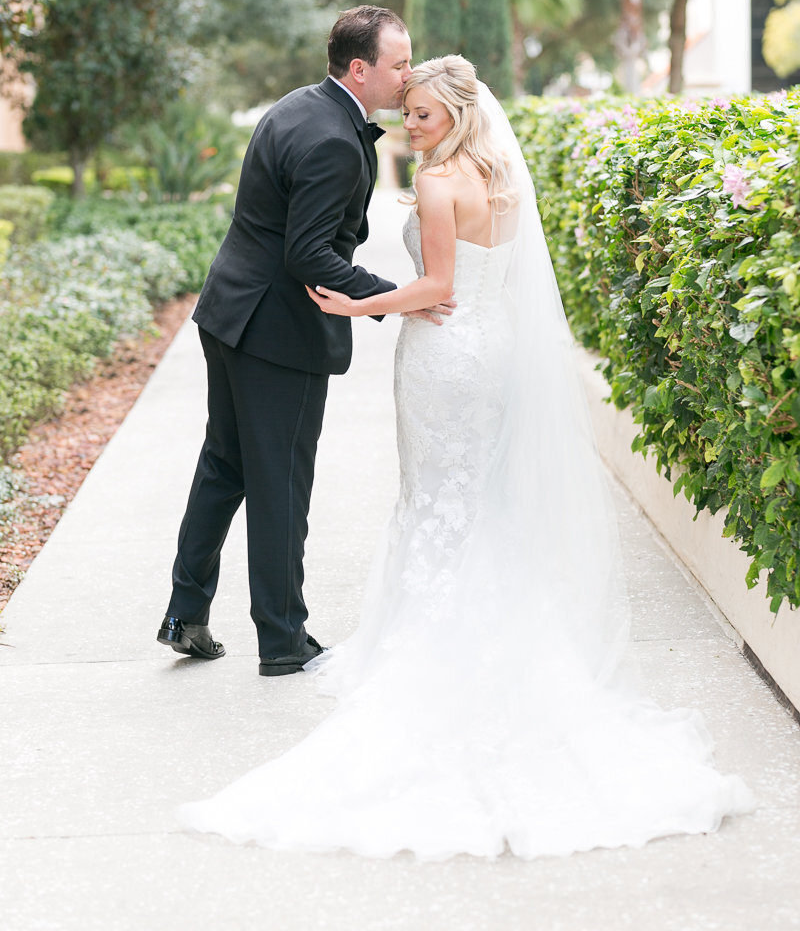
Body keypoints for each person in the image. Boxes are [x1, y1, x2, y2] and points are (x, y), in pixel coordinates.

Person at [178, 56, 753, 858]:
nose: (406, 127)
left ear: (455, 114)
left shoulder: (446, 183)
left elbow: (437, 286)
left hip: (445, 358)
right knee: (471, 498)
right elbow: (483, 282)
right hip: (490, 351)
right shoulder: (501, 179)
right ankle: (493, 638)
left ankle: (434, 648)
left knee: (436, 497)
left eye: (421, 114)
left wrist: (361, 300)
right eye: (405, 110)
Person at [157, 7, 452, 677]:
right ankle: (284, 640)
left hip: (229, 312)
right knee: (280, 482)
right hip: (274, 333)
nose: (408, 75)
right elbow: (310, 254)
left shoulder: (299, 106)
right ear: (361, 68)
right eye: (399, 63)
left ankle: (185, 612)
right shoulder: (333, 141)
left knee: (225, 466)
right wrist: (394, 299)